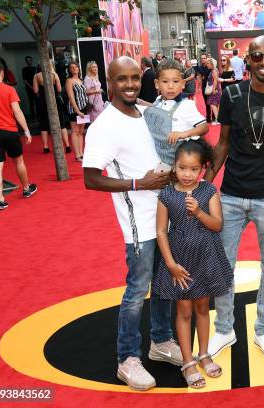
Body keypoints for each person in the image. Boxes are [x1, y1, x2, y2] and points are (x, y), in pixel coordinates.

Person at [83, 57, 181, 391]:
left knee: (165, 284)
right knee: (137, 290)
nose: (129, 84)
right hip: (138, 223)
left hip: (164, 216)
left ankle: (161, 341)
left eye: (135, 78)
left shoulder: (145, 113)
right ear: (108, 82)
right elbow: (91, 179)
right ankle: (127, 358)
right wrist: (140, 184)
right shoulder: (104, 126)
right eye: (121, 79)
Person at [204, 35, 264, 362]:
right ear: (248, 61)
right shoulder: (233, 95)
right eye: (257, 57)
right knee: (223, 265)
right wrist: (205, 187)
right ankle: (224, 329)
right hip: (231, 195)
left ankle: (263, 330)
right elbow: (222, 145)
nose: (263, 63)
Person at [153, 138, 233, 388]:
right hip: (180, 262)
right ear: (174, 167)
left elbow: (217, 225)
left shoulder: (208, 191)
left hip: (206, 258)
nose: (188, 174)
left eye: (194, 169)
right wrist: (170, 264)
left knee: (202, 308)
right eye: (182, 168)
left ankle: (204, 353)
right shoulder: (165, 195)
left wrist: (199, 212)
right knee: (184, 311)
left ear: (202, 169)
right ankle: (188, 361)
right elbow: (161, 231)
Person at [0, 59, 37, 211]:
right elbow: (17, 111)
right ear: (2, 74)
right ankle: (26, 188)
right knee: (19, 161)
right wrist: (26, 130)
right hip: (10, 131)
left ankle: (0, 199)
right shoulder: (9, 90)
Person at [151, 58, 208, 154]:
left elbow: (204, 127)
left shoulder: (186, 105)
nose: (170, 86)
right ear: (157, 84)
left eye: (175, 81)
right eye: (165, 81)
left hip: (178, 159)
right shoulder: (157, 101)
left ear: (182, 84)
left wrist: (183, 134)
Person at [33, 61, 71, 154]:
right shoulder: (54, 74)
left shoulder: (37, 76)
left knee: (44, 124)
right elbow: (59, 89)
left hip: (42, 101)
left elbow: (35, 90)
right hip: (55, 101)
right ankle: (67, 146)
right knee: (61, 123)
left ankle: (45, 147)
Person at [65, 61, 88, 161]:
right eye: (72, 67)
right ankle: (77, 155)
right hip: (74, 108)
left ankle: (81, 153)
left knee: (81, 131)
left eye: (76, 67)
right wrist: (77, 110)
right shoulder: (69, 81)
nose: (75, 68)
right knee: (75, 131)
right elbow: (70, 96)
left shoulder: (81, 80)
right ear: (69, 70)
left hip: (84, 107)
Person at [196, 54, 213, 122]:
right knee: (206, 102)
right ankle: (208, 117)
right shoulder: (200, 68)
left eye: (204, 58)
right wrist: (198, 87)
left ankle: (214, 116)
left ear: (206, 58)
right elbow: (199, 77)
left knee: (213, 101)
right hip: (204, 86)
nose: (202, 59)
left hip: (211, 85)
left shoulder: (209, 66)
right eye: (201, 58)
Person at [205, 58, 222, 125]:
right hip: (215, 88)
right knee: (215, 104)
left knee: (212, 104)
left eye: (208, 64)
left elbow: (215, 80)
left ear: (212, 64)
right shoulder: (214, 70)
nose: (207, 65)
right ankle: (218, 119)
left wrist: (214, 89)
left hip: (214, 88)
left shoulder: (214, 71)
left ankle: (218, 120)